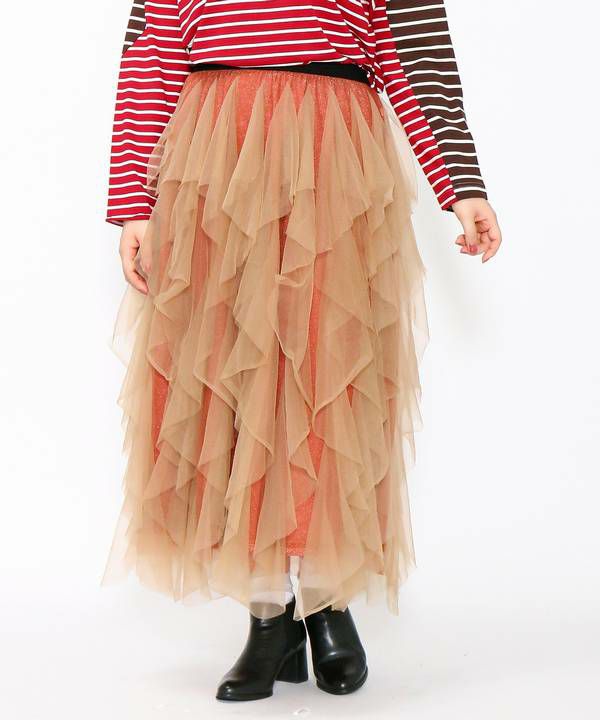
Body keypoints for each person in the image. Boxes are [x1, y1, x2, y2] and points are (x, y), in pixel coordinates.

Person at [102, 0, 502, 702]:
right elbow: (153, 49)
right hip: (215, 155)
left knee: (326, 372)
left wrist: (461, 185)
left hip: (331, 155)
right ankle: (268, 614)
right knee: (234, 378)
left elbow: (414, 51)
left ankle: (324, 598)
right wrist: (135, 199)